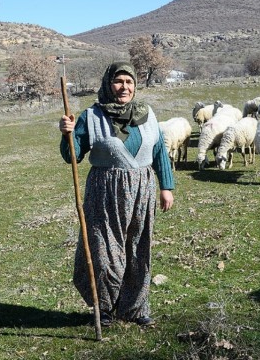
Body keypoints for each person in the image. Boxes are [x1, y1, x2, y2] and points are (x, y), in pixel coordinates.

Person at [58, 61, 174, 327]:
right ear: (108, 84)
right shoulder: (92, 116)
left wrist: (166, 187)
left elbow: (159, 152)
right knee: (104, 251)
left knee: (138, 248)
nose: (124, 87)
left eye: (129, 82)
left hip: (142, 189)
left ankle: (135, 307)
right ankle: (106, 308)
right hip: (104, 191)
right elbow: (73, 156)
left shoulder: (148, 114)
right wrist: (68, 134)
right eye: (119, 82)